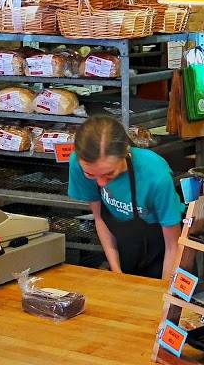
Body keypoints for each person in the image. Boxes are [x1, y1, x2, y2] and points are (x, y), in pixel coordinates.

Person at [68, 115, 185, 278]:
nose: (101, 183)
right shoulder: (79, 163)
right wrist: (117, 272)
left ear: (125, 152)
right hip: (124, 248)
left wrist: (164, 288)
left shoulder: (155, 176)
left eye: (109, 173)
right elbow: (100, 219)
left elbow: (173, 246)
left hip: (163, 250)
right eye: (91, 174)